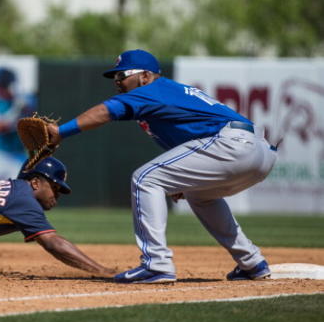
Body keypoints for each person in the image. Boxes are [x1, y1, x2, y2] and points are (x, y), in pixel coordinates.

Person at [47, 49, 278, 284]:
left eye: (122, 75)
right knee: (200, 196)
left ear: (145, 76)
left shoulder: (150, 91)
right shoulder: (163, 94)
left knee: (145, 178)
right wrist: (184, 179)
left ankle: (156, 263)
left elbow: (104, 111)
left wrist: (59, 132)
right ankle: (252, 263)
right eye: (114, 77)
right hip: (258, 153)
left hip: (232, 145)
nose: (117, 81)